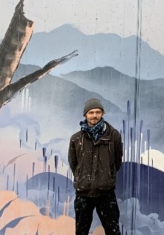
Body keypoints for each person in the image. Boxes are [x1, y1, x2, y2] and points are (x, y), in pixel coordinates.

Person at [69, 98, 123, 235]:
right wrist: (82, 178)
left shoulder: (114, 136)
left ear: (102, 113)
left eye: (98, 112)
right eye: (91, 112)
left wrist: (106, 177)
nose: (94, 115)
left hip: (106, 192)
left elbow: (117, 161)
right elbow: (74, 163)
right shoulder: (76, 139)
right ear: (85, 115)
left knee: (113, 230)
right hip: (83, 193)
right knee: (81, 231)